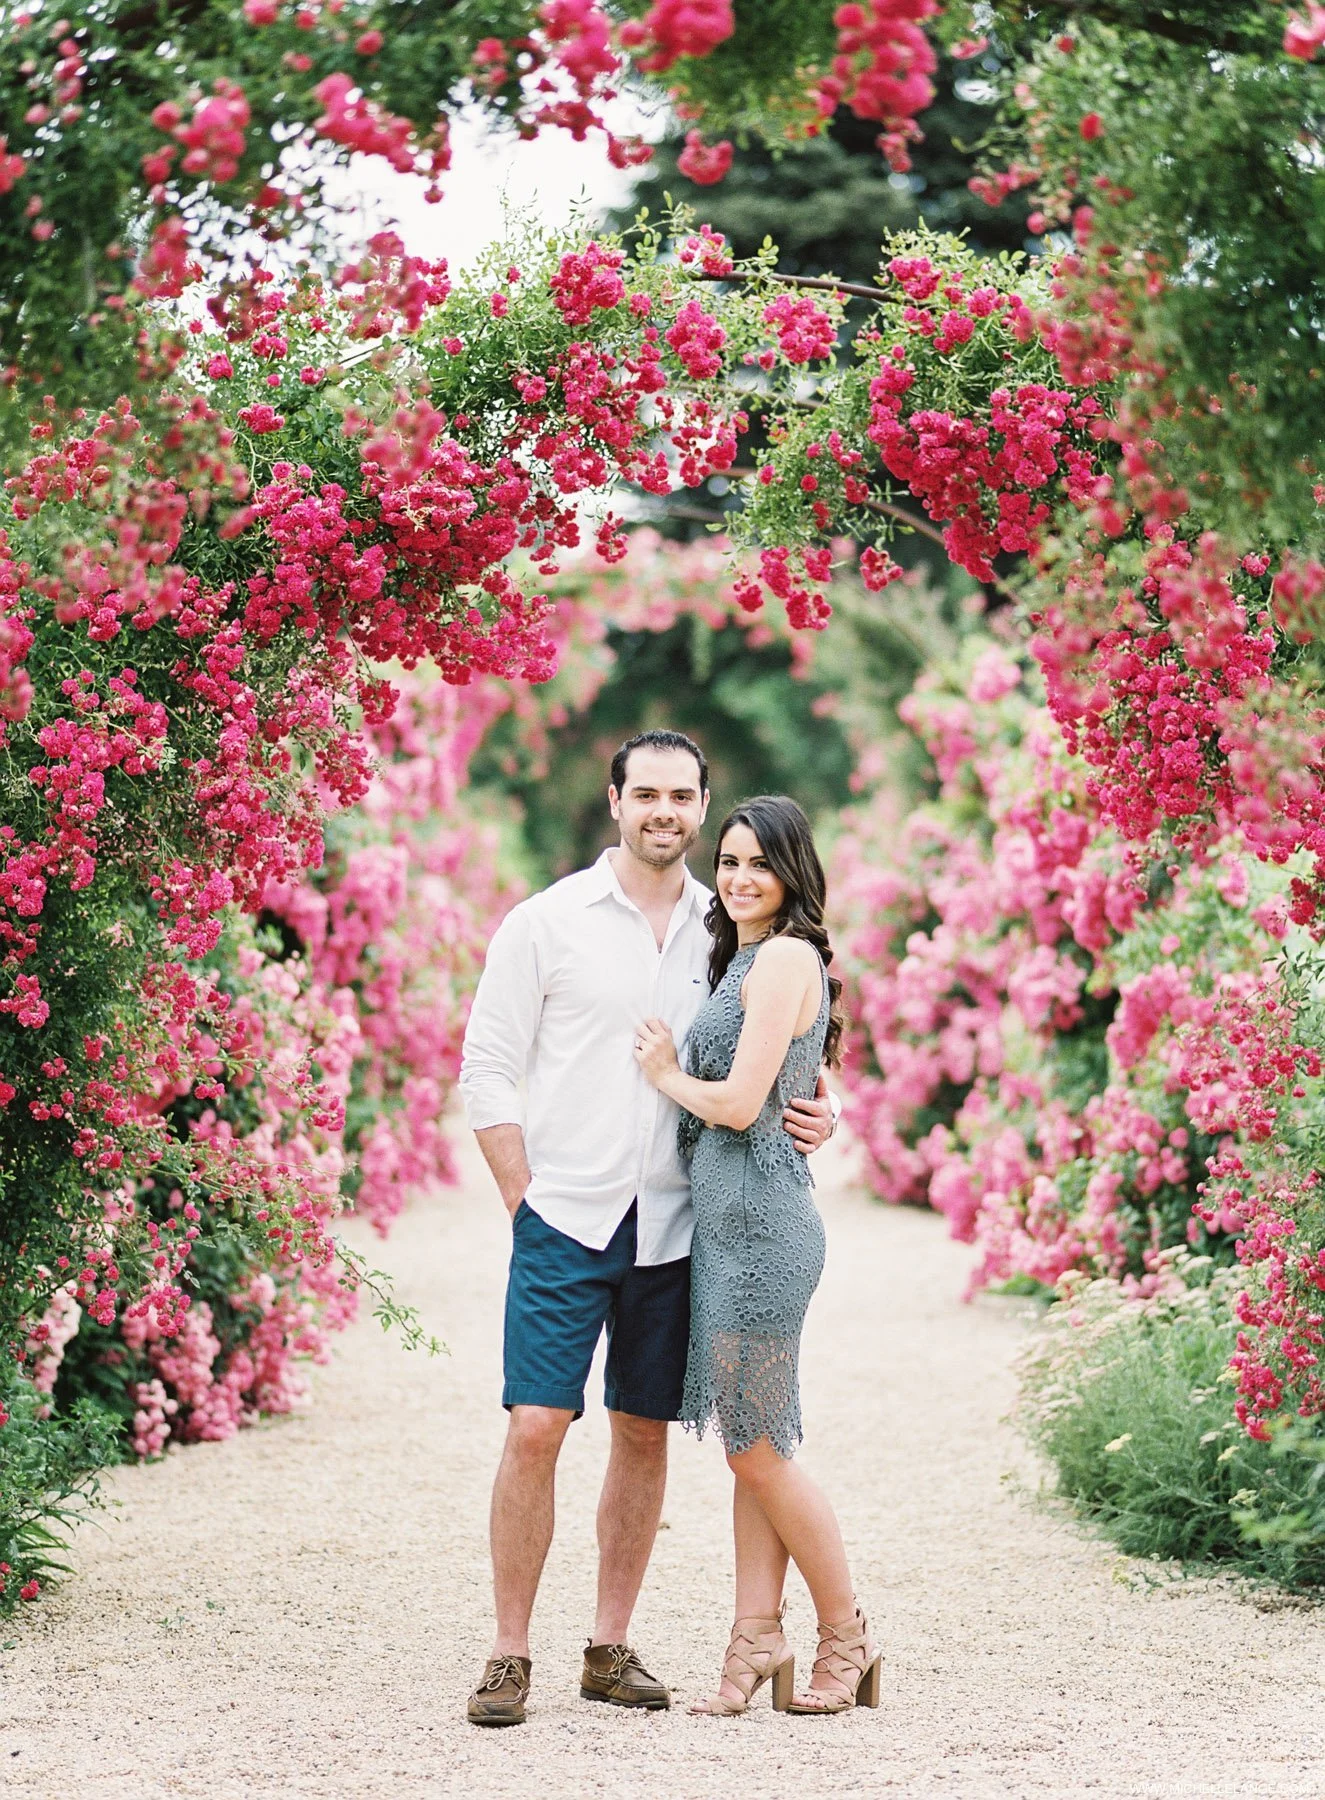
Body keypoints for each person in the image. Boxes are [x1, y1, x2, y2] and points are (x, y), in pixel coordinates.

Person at [458, 732, 837, 1727]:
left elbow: (779, 1042)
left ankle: (608, 1645)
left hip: (679, 1228)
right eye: (646, 794)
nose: (664, 811)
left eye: (682, 796)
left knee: (640, 1434)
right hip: (562, 1216)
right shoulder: (545, 924)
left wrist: (821, 1110)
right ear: (615, 801)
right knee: (536, 1426)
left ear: (702, 804)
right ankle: (507, 1653)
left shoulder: (736, 924)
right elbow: (486, 1069)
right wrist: (517, 1197)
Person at [633, 794, 878, 1717]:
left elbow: (739, 1104)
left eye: (757, 864)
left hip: (763, 1232)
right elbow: (789, 1086)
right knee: (751, 1446)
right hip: (728, 1229)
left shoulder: (780, 956)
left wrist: (662, 1074)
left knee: (762, 1453)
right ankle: (755, 1639)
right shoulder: (746, 957)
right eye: (727, 860)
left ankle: (846, 1639)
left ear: (790, 874)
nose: (737, 877)